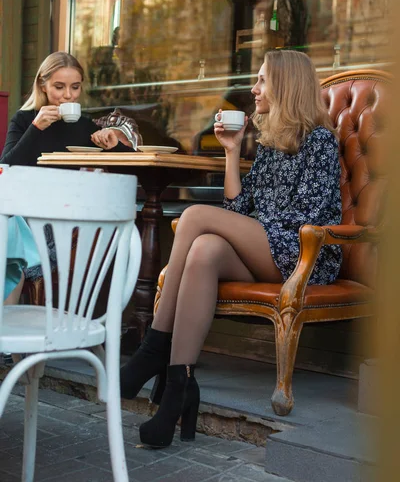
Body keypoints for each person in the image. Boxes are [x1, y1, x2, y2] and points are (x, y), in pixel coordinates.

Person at [120, 50, 343, 449]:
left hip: (304, 255)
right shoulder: (272, 142)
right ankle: (179, 388)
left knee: (193, 219)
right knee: (204, 249)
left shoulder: (321, 142)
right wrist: (232, 151)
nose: (253, 89)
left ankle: (154, 347)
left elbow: (306, 219)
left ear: (286, 86)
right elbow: (238, 208)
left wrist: (251, 230)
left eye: (261, 81)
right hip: (268, 248)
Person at [0, 51, 133, 167]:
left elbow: (138, 170)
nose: (68, 95)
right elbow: (4, 168)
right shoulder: (24, 119)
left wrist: (115, 145)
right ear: (43, 86)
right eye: (59, 87)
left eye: (75, 87)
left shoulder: (85, 126)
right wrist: (35, 128)